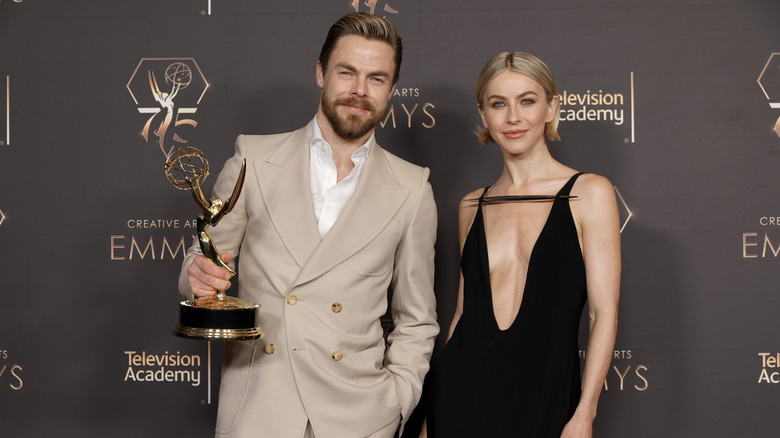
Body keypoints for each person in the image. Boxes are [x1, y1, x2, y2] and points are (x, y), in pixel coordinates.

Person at [178, 13, 439, 438]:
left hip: (358, 419)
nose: (359, 90)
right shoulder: (254, 162)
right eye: (346, 72)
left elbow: (416, 319)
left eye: (376, 79)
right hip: (260, 410)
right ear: (321, 73)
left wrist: (396, 402)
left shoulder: (412, 188)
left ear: (392, 91)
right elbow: (203, 258)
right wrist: (197, 279)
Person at [423, 52, 621, 437]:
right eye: (499, 104)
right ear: (483, 115)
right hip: (460, 400)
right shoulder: (471, 205)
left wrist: (584, 415)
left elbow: (603, 314)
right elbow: (463, 316)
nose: (513, 117)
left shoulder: (589, 194)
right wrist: (431, 418)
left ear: (551, 107)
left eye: (527, 101)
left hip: (546, 401)